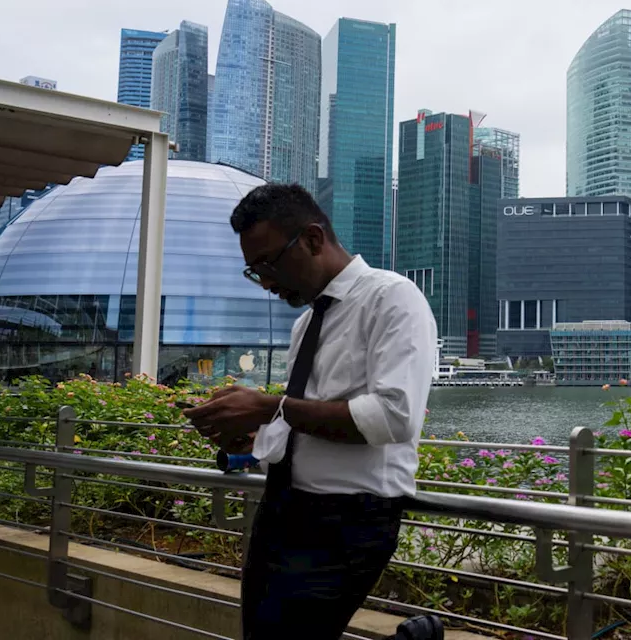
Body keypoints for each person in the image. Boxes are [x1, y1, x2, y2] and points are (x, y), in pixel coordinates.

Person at [184, 184, 440, 640]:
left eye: (269, 263)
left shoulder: (393, 299)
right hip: (283, 509)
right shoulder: (307, 322)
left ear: (313, 239)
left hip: (348, 521)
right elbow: (305, 418)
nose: (265, 281)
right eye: (253, 270)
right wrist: (254, 437)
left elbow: (393, 419)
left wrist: (270, 406)